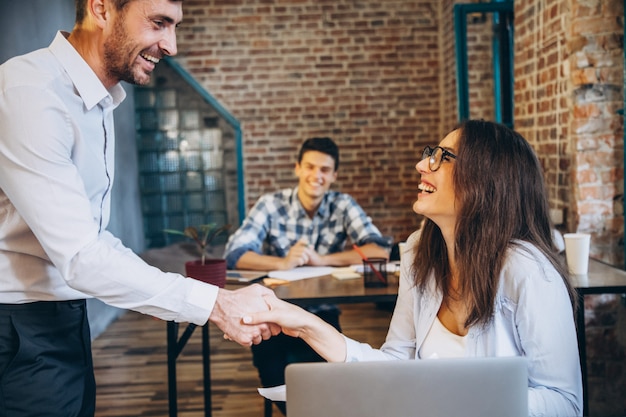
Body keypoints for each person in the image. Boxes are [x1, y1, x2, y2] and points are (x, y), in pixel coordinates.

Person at [0, 1, 279, 416]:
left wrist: (152, 292)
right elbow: (81, 255)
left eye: (175, 26)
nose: (172, 45)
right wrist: (215, 304)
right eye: (158, 23)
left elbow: (92, 237)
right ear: (101, 9)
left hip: (66, 318)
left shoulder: (102, 98)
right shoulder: (30, 92)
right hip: (17, 325)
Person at [245, 120, 583, 417]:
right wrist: (306, 325)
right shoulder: (420, 253)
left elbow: (564, 403)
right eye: (429, 154)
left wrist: (446, 396)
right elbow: (397, 365)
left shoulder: (528, 272)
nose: (422, 164)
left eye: (440, 157)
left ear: (486, 179)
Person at [223, 136, 390, 414]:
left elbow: (379, 251)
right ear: (297, 168)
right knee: (277, 379)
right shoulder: (271, 204)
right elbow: (235, 253)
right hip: (276, 314)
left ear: (334, 175)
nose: (316, 176)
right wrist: (283, 262)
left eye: (325, 170)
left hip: (322, 315)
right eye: (310, 167)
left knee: (330, 384)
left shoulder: (343, 205)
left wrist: (323, 259)